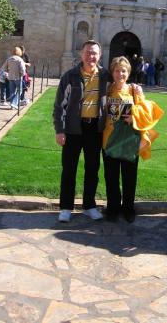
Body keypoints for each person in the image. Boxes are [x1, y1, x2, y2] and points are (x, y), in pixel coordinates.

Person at [53, 40, 110, 222]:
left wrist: (135, 88)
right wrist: (59, 130)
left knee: (92, 168)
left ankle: (89, 205)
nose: (91, 56)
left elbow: (120, 87)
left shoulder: (105, 76)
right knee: (69, 169)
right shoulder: (70, 76)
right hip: (72, 128)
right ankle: (66, 207)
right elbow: (59, 106)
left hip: (95, 128)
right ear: (81, 54)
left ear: (99, 55)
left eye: (94, 53)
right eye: (88, 52)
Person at [102, 56, 164, 223]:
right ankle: (113, 208)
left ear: (128, 73)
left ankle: (128, 208)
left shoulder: (135, 90)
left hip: (130, 141)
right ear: (112, 72)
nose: (120, 73)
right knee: (111, 177)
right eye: (117, 70)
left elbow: (147, 111)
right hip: (109, 140)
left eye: (123, 70)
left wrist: (133, 116)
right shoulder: (106, 89)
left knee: (129, 177)